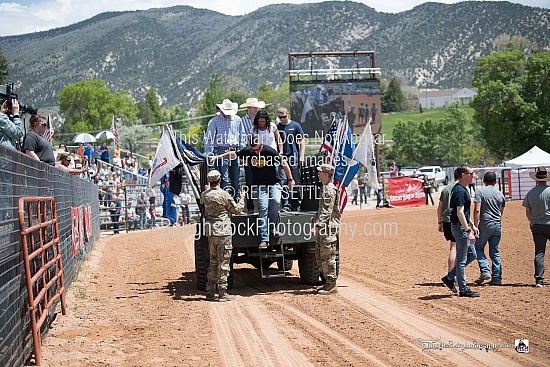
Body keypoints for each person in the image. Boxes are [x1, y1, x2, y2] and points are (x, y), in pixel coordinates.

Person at [217, 134, 295, 249]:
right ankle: (264, 239)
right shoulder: (248, 151)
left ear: (261, 144)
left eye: (258, 149)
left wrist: (290, 179)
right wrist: (218, 157)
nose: (257, 152)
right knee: (263, 207)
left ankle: (272, 228)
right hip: (260, 185)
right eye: (254, 150)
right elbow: (233, 154)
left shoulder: (270, 151)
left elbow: (284, 163)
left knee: (276, 202)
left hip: (274, 183)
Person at [201, 170, 245, 302]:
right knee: (224, 262)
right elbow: (237, 210)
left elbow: (204, 201)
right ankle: (222, 292)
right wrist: (242, 199)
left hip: (211, 232)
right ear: (219, 180)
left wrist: (207, 190)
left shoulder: (205, 195)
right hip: (223, 232)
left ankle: (210, 291)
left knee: (213, 261)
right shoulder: (224, 195)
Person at [441, 165, 480, 297]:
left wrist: (472, 225)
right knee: (462, 260)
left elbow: (463, 213)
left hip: (460, 226)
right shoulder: (459, 191)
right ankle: (463, 289)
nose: (473, 175)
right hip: (459, 228)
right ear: (463, 175)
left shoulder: (462, 189)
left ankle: (449, 277)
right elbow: (460, 213)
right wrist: (468, 230)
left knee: (472, 254)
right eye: (471, 173)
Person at [203, 99, 243, 201]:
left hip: (235, 151)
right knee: (223, 179)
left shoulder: (237, 120)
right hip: (221, 150)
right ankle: (224, 201)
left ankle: (235, 202)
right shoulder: (215, 120)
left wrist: (242, 152)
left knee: (235, 179)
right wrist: (209, 153)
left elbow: (242, 136)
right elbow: (208, 138)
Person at [311, 163, 341, 294]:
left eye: (319, 172)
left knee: (328, 255)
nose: (318, 174)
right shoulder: (324, 188)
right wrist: (315, 217)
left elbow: (327, 212)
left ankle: (331, 284)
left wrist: (317, 225)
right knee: (320, 254)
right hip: (324, 226)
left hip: (327, 228)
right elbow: (322, 209)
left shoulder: (329, 189)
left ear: (325, 174)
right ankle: (327, 282)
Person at [473, 171, 506, 286]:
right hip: (497, 224)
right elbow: (501, 211)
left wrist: (475, 226)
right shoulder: (500, 194)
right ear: (495, 181)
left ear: (484, 181)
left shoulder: (480, 192)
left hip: (485, 223)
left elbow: (477, 210)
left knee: (478, 248)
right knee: (495, 251)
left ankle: (485, 270)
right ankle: (497, 277)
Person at [522, 166, 550, 288]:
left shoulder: (531, 193)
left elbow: (528, 211)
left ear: (536, 179)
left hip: (537, 225)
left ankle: (539, 280)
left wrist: (532, 222)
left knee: (539, 252)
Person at [240, 97, 266, 213]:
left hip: (261, 153)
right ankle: (250, 207)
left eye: (257, 107)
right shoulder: (242, 121)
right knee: (249, 181)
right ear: (249, 108)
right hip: (249, 152)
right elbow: (241, 138)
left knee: (262, 179)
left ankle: (263, 205)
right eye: (254, 107)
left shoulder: (260, 120)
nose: (256, 109)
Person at [277, 106, 305, 211]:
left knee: (295, 181)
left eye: (283, 117)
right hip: (282, 159)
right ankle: (286, 205)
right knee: (283, 181)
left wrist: (301, 155)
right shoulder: (277, 127)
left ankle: (296, 203)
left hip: (294, 158)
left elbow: (302, 141)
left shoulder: (295, 125)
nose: (282, 119)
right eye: (280, 117)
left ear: (287, 114)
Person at [437, 172, 459, 279]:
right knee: (458, 249)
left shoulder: (445, 189)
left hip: (446, 220)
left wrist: (440, 222)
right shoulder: (461, 189)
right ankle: (453, 274)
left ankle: (451, 273)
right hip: (457, 221)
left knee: (453, 247)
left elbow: (439, 208)